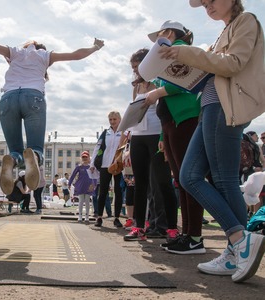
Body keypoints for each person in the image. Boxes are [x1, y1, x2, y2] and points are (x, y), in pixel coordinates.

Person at [161, 0, 265, 282]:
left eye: (211, 0)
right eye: (203, 3)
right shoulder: (226, 30)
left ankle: (238, 246)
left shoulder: (247, 21)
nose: (206, 6)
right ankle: (238, 245)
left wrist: (189, 53)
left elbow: (233, 64)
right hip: (209, 107)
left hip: (224, 107)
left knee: (223, 179)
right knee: (190, 176)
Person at [0, 38, 104, 195]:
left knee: (15, 150)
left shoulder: (15, 52)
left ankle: (12, 160)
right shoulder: (45, 55)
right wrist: (95, 47)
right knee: (36, 148)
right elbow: (76, 55)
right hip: (33, 97)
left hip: (7, 99)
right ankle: (33, 155)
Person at [144, 20, 205, 254]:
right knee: (181, 179)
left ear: (169, 33)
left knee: (189, 178)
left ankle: (195, 236)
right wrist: (162, 133)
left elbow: (185, 82)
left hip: (184, 119)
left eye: (160, 35)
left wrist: (157, 91)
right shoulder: (168, 55)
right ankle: (188, 234)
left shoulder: (181, 50)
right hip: (171, 122)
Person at [124, 49, 177, 242]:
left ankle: (171, 227)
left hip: (157, 135)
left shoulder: (160, 80)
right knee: (140, 184)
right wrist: (129, 141)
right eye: (133, 68)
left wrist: (165, 135)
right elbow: (133, 111)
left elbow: (166, 109)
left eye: (138, 66)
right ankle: (138, 227)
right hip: (138, 136)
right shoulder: (136, 87)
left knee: (163, 182)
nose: (136, 71)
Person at [90, 111, 127, 228]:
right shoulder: (106, 133)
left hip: (118, 165)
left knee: (118, 191)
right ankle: (100, 217)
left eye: (114, 119)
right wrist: (92, 163)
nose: (112, 122)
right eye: (110, 120)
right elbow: (97, 148)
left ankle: (116, 218)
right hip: (105, 165)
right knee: (103, 191)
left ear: (119, 120)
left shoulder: (124, 133)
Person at [68, 151, 97, 223]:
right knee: (81, 201)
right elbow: (73, 175)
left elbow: (95, 176)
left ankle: (87, 216)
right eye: (83, 157)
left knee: (87, 201)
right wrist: (69, 183)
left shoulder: (91, 167)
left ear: (88, 158)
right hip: (81, 185)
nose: (84, 158)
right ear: (81, 158)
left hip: (89, 186)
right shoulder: (79, 167)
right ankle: (80, 216)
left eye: (86, 157)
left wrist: (94, 184)